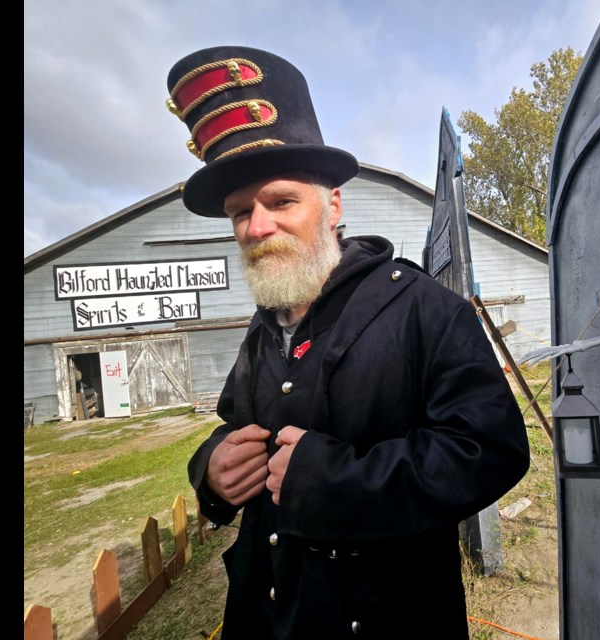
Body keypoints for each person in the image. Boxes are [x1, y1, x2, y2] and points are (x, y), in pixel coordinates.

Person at [166, 46, 531, 639]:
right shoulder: (264, 327)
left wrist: (335, 482)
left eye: (281, 200)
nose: (257, 228)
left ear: (332, 204)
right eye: (240, 213)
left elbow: (492, 451)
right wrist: (210, 468)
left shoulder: (422, 309)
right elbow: (232, 427)